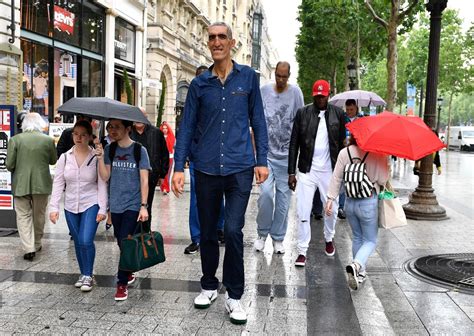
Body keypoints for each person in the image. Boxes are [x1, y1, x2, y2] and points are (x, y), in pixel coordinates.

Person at [172, 22, 268, 325]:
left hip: (240, 167)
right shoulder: (200, 84)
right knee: (209, 230)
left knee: (234, 230)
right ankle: (209, 284)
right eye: (212, 37)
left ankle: (235, 295)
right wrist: (178, 167)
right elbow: (186, 127)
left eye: (221, 37)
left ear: (232, 42)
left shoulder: (249, 79)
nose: (216, 42)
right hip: (206, 168)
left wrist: (261, 159)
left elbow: (259, 121)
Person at [288, 79, 345, 267]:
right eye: (317, 96)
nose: (320, 99)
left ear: (328, 95)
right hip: (306, 170)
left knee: (332, 209)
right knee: (303, 211)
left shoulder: (339, 114)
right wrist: (291, 172)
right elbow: (294, 144)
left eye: (323, 96)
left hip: (329, 171)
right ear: (313, 95)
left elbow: (345, 142)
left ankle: (329, 238)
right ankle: (302, 251)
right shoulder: (302, 114)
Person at [95, 119, 151, 301]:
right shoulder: (110, 150)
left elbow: (144, 180)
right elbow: (105, 176)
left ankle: (121, 284)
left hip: (133, 204)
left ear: (128, 129)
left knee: (126, 241)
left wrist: (144, 206)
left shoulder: (139, 150)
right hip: (116, 205)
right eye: (110, 127)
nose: (112, 130)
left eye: (116, 127)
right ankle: (129, 270)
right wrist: (99, 158)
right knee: (121, 241)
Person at [49, 120, 107, 291]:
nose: (78, 137)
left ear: (90, 136)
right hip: (70, 205)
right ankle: (83, 273)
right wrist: (53, 208)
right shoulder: (65, 157)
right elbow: (58, 183)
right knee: (78, 242)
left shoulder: (95, 157)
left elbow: (102, 183)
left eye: (83, 134)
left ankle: (88, 275)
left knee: (85, 239)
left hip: (91, 202)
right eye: (75, 134)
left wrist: (103, 208)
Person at [325, 135, 389, 290]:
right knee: (370, 240)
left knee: (358, 237)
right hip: (368, 201)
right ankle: (356, 265)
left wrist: (330, 199)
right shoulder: (377, 153)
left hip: (350, 202)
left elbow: (336, 177)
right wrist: (386, 164)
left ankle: (360, 273)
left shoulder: (344, 152)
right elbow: (382, 179)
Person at [254, 61, 304, 254]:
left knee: (284, 200)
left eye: (284, 76)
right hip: (266, 154)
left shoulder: (296, 93)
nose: (281, 80)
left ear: (289, 75)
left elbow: (300, 122)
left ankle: (278, 238)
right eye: (278, 76)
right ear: (274, 73)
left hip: (287, 157)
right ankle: (261, 233)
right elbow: (256, 121)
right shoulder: (264, 91)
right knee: (266, 194)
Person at [185, 66, 225, 255]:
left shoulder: (217, 99)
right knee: (195, 199)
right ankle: (197, 237)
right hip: (197, 158)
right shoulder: (194, 99)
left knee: (220, 197)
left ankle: (219, 229)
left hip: (218, 158)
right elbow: (186, 128)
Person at [6, 112, 57, 261]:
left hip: (20, 184)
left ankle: (28, 247)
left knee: (23, 216)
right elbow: (53, 161)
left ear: (24, 124)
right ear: (39, 123)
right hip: (42, 183)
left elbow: (9, 165)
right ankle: (37, 242)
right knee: (39, 214)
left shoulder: (15, 140)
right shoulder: (48, 140)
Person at [131, 108, 169, 229]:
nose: (138, 119)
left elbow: (164, 154)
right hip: (131, 177)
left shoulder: (156, 132)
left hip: (150, 177)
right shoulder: (128, 133)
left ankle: (145, 235)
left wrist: (163, 175)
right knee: (131, 208)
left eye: (141, 116)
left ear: (146, 117)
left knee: (146, 206)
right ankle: (131, 236)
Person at [338, 99, 364, 220]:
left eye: (351, 109)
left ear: (356, 108)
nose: (349, 112)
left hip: (357, 153)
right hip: (344, 152)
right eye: (347, 109)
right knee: (343, 179)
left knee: (355, 178)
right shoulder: (342, 119)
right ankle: (341, 207)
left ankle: (355, 204)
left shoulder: (362, 120)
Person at [159, 122, 175, 195]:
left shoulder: (171, 137)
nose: (165, 130)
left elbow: (174, 147)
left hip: (170, 158)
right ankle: (163, 187)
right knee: (162, 173)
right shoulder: (159, 137)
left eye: (166, 128)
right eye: (163, 128)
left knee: (167, 174)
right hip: (161, 158)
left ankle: (166, 188)